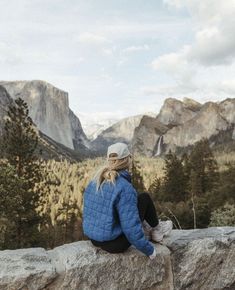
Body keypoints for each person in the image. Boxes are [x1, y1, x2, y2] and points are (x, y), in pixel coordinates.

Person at [82, 142, 172, 260]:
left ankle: (149, 227)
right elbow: (131, 229)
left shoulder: (95, 180)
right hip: (115, 244)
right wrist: (149, 250)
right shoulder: (124, 187)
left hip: (94, 239)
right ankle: (157, 230)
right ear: (127, 160)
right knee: (144, 198)